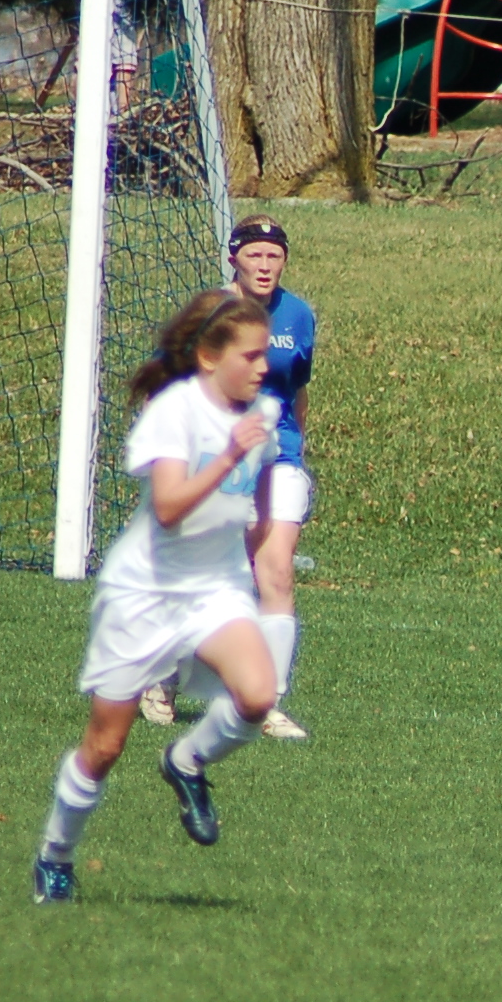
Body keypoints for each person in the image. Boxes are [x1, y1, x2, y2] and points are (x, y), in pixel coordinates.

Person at [31, 289, 282, 902]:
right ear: (209, 357)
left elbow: (261, 488)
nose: (262, 367)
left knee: (258, 695)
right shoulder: (175, 412)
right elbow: (168, 509)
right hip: (144, 593)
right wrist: (230, 453)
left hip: (215, 588)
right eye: (249, 356)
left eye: (264, 355)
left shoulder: (264, 415)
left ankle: (186, 761)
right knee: (105, 746)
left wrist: (257, 532)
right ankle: (55, 856)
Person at [143, 214, 313, 738]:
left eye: (274, 255)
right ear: (233, 258)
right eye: (254, 254)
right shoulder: (209, 312)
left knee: (275, 571)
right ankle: (164, 677)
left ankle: (266, 703)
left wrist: (295, 450)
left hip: (277, 457)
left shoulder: (299, 315)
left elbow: (297, 390)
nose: (264, 265)